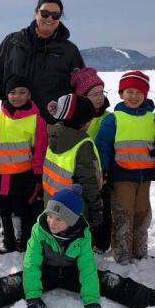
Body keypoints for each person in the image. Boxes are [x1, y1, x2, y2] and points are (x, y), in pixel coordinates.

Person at [0, 185, 155, 308]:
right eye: (50, 215)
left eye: (59, 219)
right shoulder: (40, 230)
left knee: (108, 280)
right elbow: (31, 264)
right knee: (13, 283)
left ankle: (151, 298)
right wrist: (32, 295)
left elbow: (87, 269)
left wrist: (91, 300)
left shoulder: (82, 235)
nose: (51, 221)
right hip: (45, 272)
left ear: (71, 221)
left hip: (73, 273)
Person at [94, 70, 155, 263]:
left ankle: (139, 251)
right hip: (121, 175)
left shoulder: (151, 118)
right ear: (121, 94)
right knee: (123, 214)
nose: (134, 96)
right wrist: (105, 173)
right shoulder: (114, 119)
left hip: (145, 177)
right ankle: (122, 253)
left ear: (145, 95)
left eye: (139, 93)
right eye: (129, 92)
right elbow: (103, 148)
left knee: (142, 213)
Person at [0, 0, 85, 126]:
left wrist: (78, 123)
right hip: (13, 125)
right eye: (45, 13)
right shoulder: (13, 43)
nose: (50, 18)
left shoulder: (69, 51)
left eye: (56, 15)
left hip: (52, 128)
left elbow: (81, 89)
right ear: (36, 12)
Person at [0, 75, 48, 254]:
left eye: (22, 92)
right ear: (6, 94)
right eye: (12, 92)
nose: (17, 96)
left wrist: (38, 177)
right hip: (1, 176)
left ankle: (24, 242)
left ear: (29, 94)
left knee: (23, 211)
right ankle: (8, 242)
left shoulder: (36, 121)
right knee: (3, 210)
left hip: (24, 176)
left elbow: (40, 151)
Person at [42, 93, 103, 235]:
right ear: (82, 123)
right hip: (73, 209)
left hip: (51, 203)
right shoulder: (82, 145)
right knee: (73, 244)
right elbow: (88, 181)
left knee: (56, 241)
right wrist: (95, 208)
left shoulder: (54, 136)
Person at [70, 67, 112, 252]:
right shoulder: (77, 120)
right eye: (94, 94)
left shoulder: (109, 118)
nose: (99, 97)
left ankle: (102, 243)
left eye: (101, 92)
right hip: (84, 174)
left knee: (103, 207)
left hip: (105, 174)